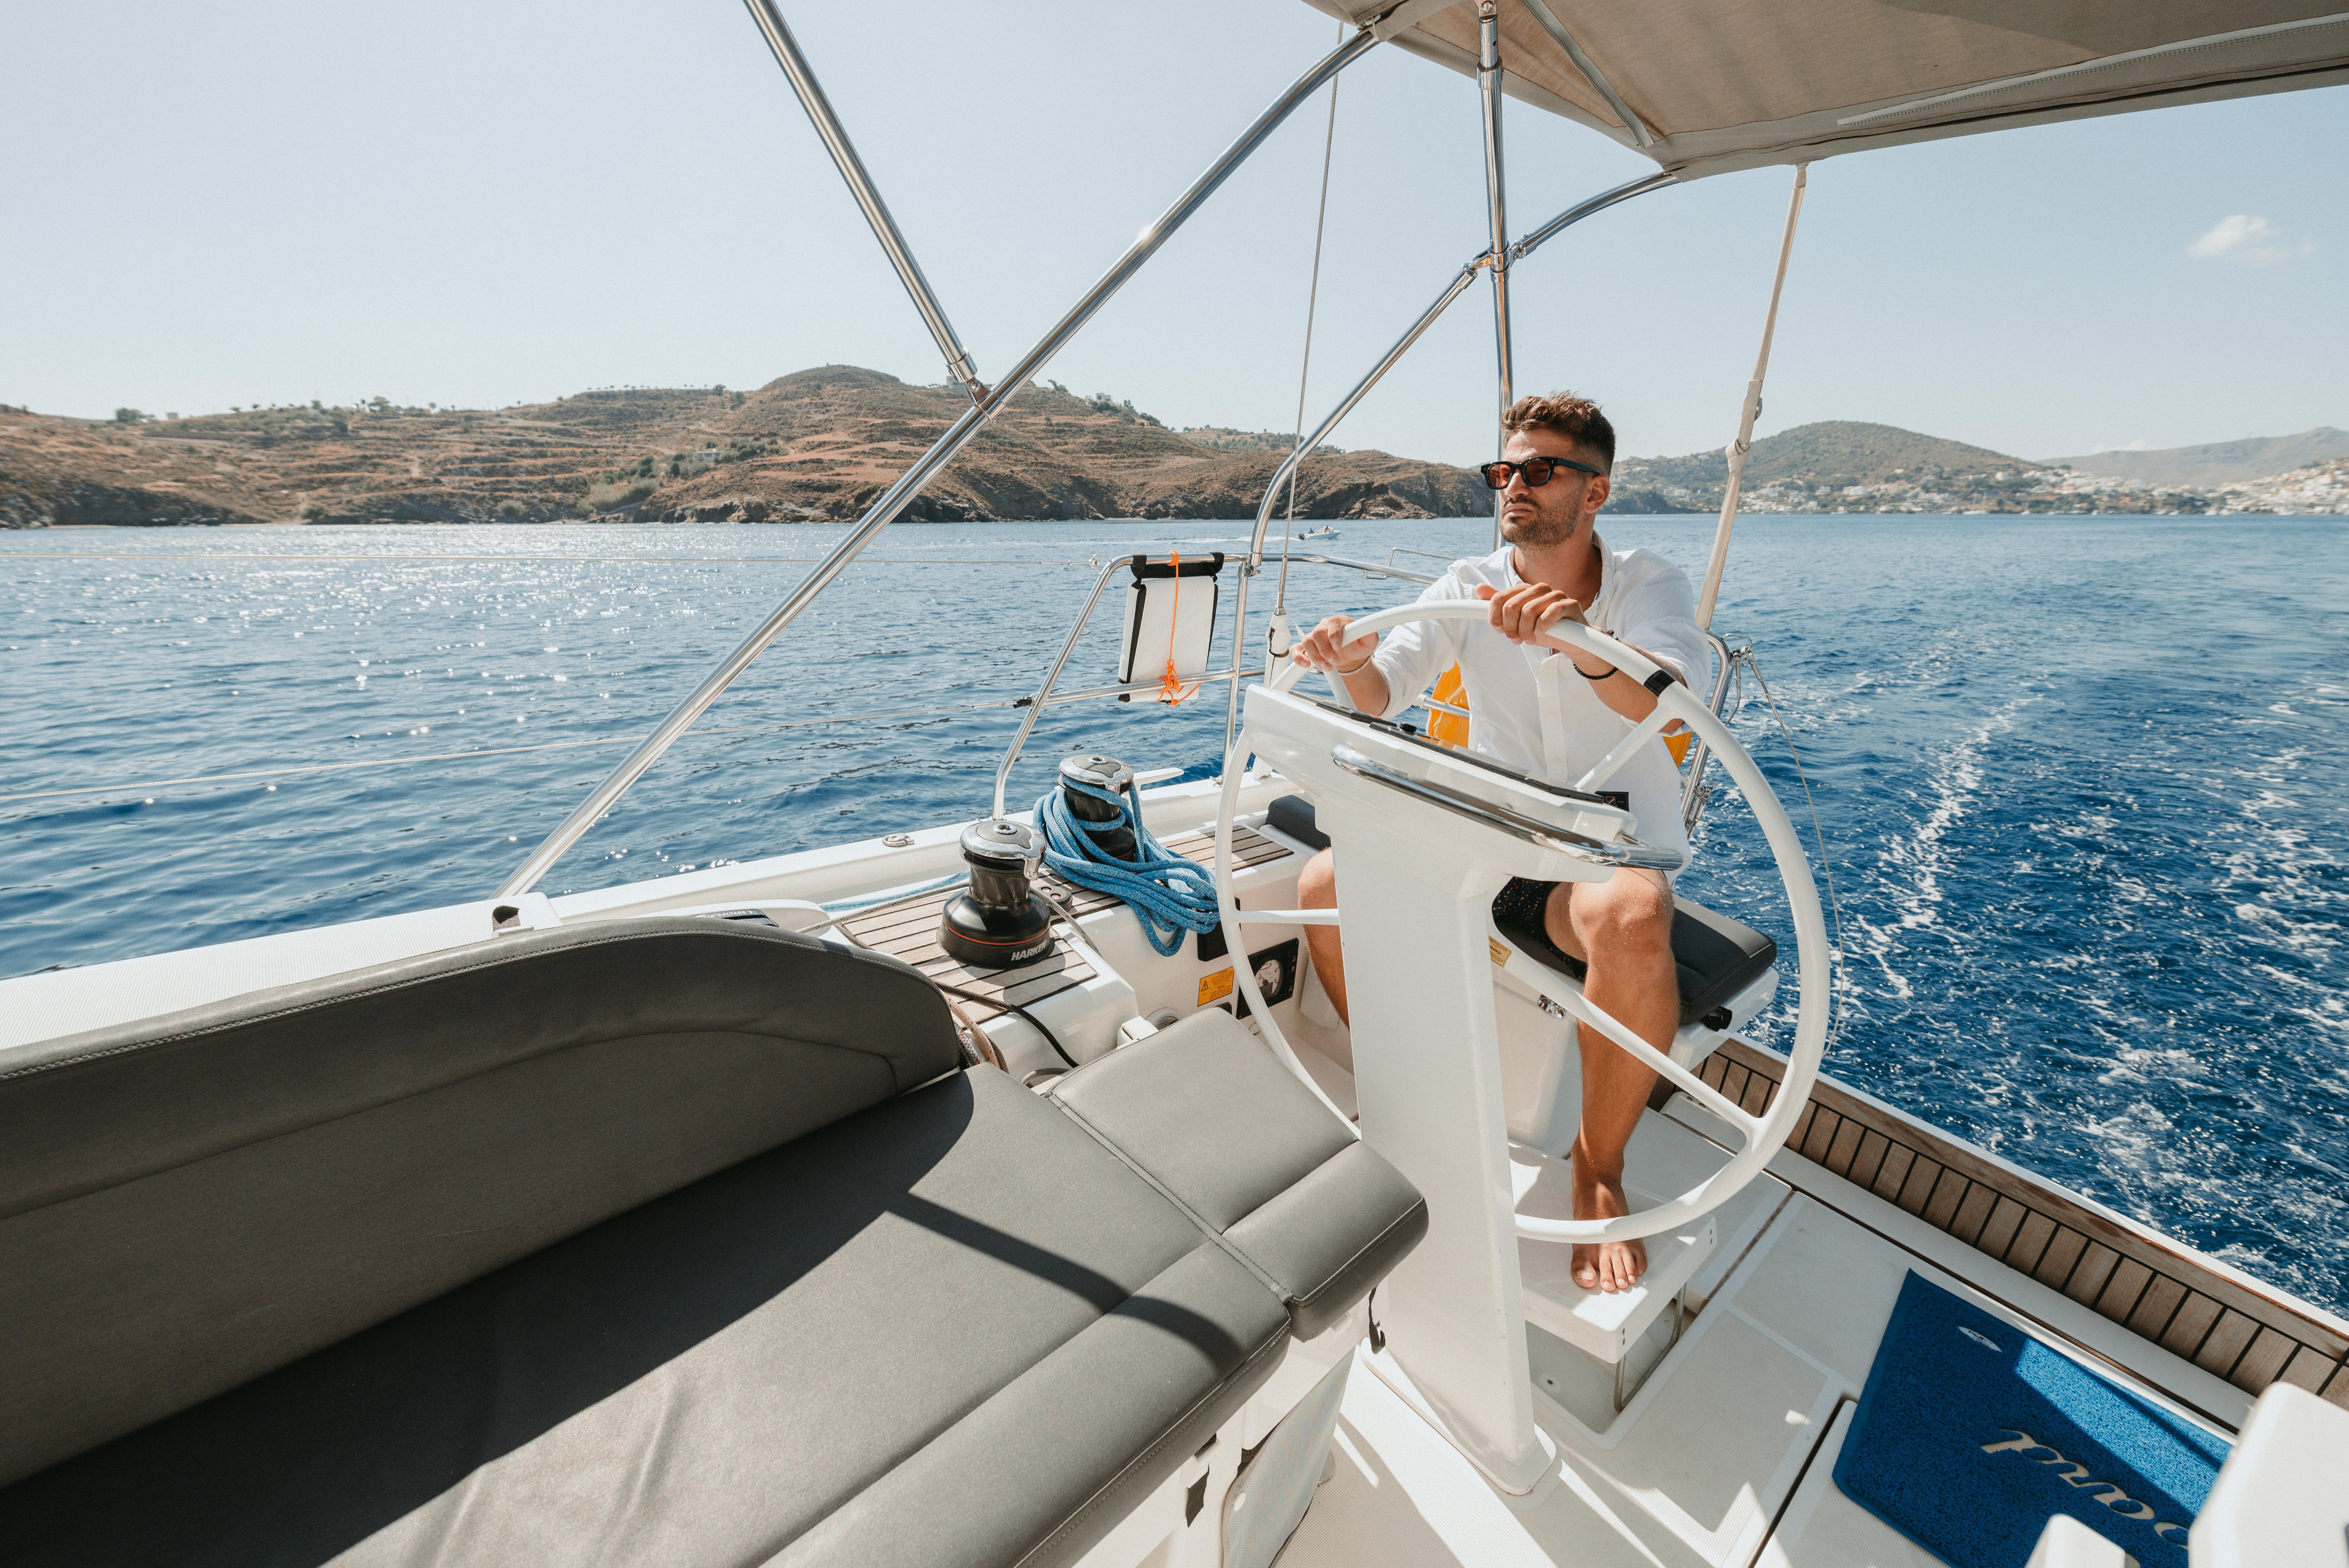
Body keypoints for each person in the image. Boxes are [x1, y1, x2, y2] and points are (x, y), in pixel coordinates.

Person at [1289, 392, 1707, 1295]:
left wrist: (1578, 642)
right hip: (1488, 836)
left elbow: (1669, 697)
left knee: (1632, 916)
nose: (1514, 484)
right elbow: (1383, 691)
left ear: (1594, 492)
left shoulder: (1647, 583)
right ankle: (1406, 1097)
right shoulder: (1465, 582)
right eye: (1504, 470)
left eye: (1540, 470)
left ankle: (1596, 1165)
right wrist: (1349, 662)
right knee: (1324, 882)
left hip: (1597, 852)